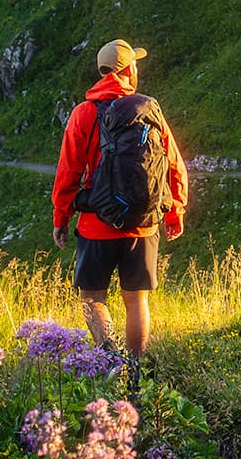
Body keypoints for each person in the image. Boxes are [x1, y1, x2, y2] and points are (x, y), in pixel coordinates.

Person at [51, 39, 188, 357]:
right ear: (128, 69)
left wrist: (61, 217)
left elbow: (68, 171)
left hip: (96, 223)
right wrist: (174, 211)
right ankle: (135, 372)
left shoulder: (84, 113)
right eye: (135, 64)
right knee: (137, 300)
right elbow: (173, 164)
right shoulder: (149, 109)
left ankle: (109, 357)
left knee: (92, 296)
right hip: (142, 225)